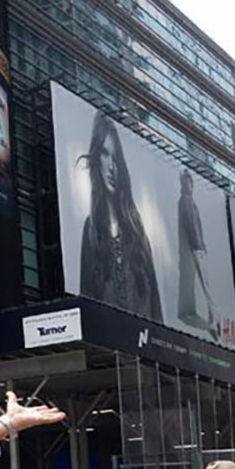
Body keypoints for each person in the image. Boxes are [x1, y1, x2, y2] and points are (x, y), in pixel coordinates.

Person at [78, 110, 162, 323]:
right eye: (105, 154)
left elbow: (154, 302)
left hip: (146, 348)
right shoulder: (91, 230)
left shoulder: (135, 225)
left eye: (116, 158)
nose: (112, 168)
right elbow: (86, 305)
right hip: (110, 350)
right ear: (97, 158)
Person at [177, 170, 215, 338]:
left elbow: (197, 226)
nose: (189, 186)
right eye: (187, 183)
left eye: (191, 183)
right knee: (204, 285)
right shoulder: (184, 202)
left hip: (199, 248)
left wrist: (203, 245)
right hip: (195, 250)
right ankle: (213, 319)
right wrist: (195, 247)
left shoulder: (192, 203)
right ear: (183, 185)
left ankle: (213, 317)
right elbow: (189, 227)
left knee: (205, 284)